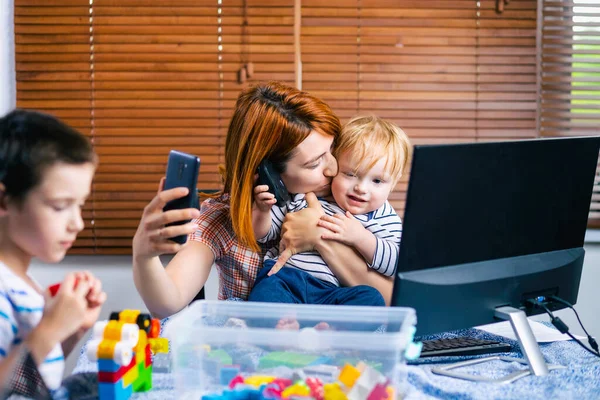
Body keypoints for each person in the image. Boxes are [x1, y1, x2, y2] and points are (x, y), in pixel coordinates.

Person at [132, 82, 395, 320]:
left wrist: (318, 236)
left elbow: (394, 302)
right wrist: (144, 255)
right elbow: (167, 302)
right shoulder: (222, 218)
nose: (333, 168)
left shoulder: (352, 199)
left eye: (332, 151)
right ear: (269, 173)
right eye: (315, 163)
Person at [248, 115, 412, 306]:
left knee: (370, 298)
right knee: (265, 292)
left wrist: (361, 238)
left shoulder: (384, 218)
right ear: (335, 166)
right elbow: (261, 235)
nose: (361, 188)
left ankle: (328, 330)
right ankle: (283, 326)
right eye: (350, 174)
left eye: (377, 181)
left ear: (393, 183)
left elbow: (396, 265)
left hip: (332, 292)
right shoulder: (306, 196)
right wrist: (262, 210)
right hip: (284, 277)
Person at [0, 109, 107, 398]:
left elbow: (29, 376)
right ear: (3, 200)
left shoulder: (22, 283)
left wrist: (69, 331)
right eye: (60, 206)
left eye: (81, 205)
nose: (78, 223)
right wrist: (50, 327)